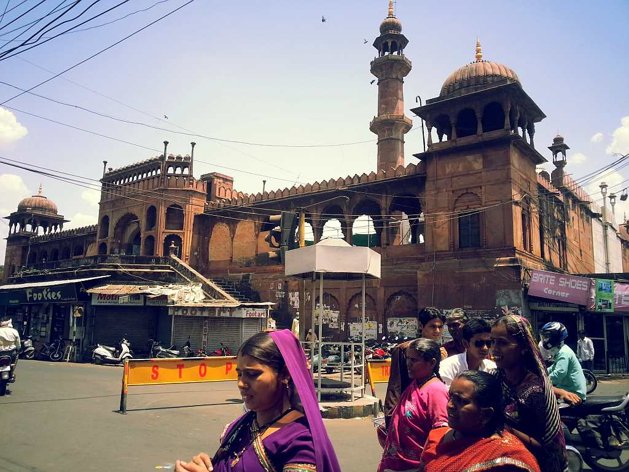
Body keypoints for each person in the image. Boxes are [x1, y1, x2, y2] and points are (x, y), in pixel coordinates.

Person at [175, 329, 340, 472]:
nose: (241, 383)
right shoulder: (242, 426)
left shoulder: (299, 442)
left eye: (252, 374)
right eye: (239, 374)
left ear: (284, 374)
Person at [419, 370, 540, 472]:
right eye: (451, 397)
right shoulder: (436, 436)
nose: (450, 405)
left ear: (486, 414)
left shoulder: (506, 457)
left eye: (460, 401)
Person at [490, 315, 567, 472]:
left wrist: (505, 429)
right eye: (493, 341)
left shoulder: (534, 391)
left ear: (523, 347)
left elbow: (548, 449)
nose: (494, 348)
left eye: (502, 343)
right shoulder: (495, 379)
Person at [377, 339, 449, 472]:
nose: (408, 364)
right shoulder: (415, 384)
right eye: (407, 359)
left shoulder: (436, 391)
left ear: (432, 363)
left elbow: (440, 435)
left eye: (414, 360)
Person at [383, 307, 446, 425]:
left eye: (440, 327)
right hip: (407, 410)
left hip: (429, 408)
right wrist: (391, 417)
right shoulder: (405, 350)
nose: (437, 330)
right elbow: (395, 385)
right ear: (422, 326)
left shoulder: (442, 351)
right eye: (432, 326)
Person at [439, 318, 496, 387]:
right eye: (479, 343)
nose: (485, 348)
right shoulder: (448, 367)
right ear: (465, 344)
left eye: (488, 343)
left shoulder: (492, 368)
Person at [541, 321, 587, 403]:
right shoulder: (560, 351)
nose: (545, 339)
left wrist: (542, 381)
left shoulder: (564, 353)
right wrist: (542, 372)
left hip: (573, 394)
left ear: (555, 337)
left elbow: (560, 372)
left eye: (547, 336)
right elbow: (553, 367)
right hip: (568, 389)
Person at [0, 318, 20, 386]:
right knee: (13, 363)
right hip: (11, 353)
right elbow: (18, 344)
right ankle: (11, 372)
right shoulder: (14, 331)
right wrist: (18, 348)